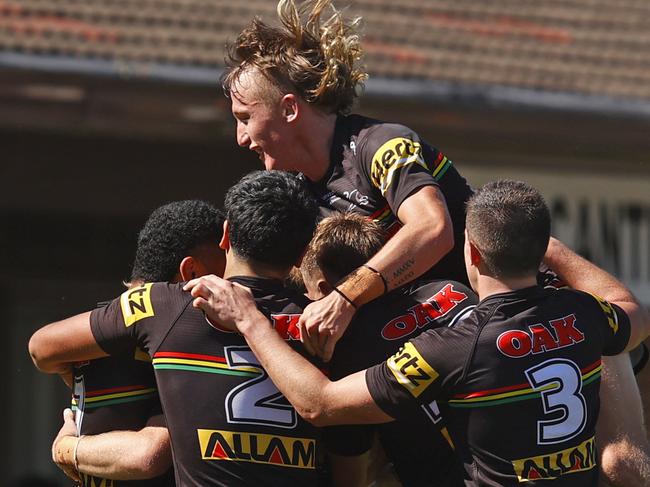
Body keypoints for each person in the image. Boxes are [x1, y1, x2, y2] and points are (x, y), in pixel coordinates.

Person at [186, 180, 650, 486]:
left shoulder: (456, 347)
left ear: (473, 252)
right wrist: (543, 246)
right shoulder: (583, 314)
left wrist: (249, 319)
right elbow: (631, 310)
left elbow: (320, 405)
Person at [30, 171, 322, 487]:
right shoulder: (321, 321)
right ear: (302, 254)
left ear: (226, 235)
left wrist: (67, 447)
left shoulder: (164, 306)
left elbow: (41, 347)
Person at [222, 0, 474, 361]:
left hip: (485, 329)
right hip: (415, 342)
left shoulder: (381, 144)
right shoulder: (293, 186)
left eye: (245, 117)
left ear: (290, 109)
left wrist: (345, 298)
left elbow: (433, 228)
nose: (240, 138)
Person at [30, 200, 226, 486]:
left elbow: (40, 349)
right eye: (224, 274)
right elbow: (147, 455)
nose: (230, 287)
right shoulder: (187, 334)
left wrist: (67, 448)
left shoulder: (103, 337)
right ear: (191, 273)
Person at [300, 212, 476, 487]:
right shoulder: (454, 291)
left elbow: (349, 477)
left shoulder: (347, 353)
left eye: (306, 293)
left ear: (323, 290)